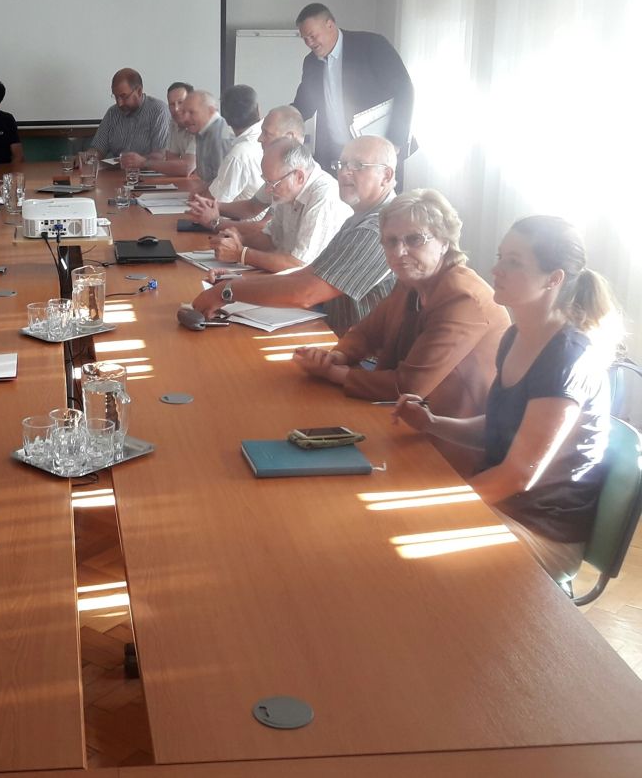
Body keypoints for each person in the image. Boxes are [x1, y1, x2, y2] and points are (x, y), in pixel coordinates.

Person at [394, 216, 621, 583]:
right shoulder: (515, 336)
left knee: (399, 553)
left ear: (554, 278)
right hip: (505, 508)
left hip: (543, 533)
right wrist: (433, 423)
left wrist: (438, 507)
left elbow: (518, 475)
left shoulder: (567, 357)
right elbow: (500, 427)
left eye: (514, 262)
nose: (496, 269)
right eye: (501, 257)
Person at [294, 189, 510, 441]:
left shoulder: (463, 298)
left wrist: (331, 373)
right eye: (391, 241)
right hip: (405, 418)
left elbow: (409, 386)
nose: (399, 252)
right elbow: (367, 333)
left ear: (445, 242)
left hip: (452, 437)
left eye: (414, 239)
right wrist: (335, 356)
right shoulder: (412, 280)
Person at [192, 136, 397, 335]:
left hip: (357, 350)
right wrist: (238, 282)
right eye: (342, 164)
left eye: (358, 166)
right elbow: (308, 273)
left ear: (386, 176)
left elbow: (306, 292)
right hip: (334, 333)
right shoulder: (359, 217)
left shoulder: (377, 228)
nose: (344, 173)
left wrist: (228, 291)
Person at [292, 2, 414, 176]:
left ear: (330, 25)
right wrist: (280, 122)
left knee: (378, 194)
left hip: (376, 153)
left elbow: (404, 91)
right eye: (304, 38)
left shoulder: (372, 45)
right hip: (335, 157)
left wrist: (394, 141)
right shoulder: (311, 62)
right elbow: (304, 105)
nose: (309, 43)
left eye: (312, 36)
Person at [210, 138, 351, 273]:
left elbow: (297, 265)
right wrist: (238, 239)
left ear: (299, 177)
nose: (268, 190)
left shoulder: (325, 197)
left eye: (272, 183)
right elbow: (271, 239)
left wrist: (241, 254)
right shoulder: (287, 191)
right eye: (266, 181)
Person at [186, 104, 306, 230]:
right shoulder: (283, 169)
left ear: (289, 137)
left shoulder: (293, 175)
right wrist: (212, 205)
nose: (259, 139)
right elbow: (251, 207)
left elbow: (264, 228)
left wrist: (215, 222)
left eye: (266, 133)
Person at [88, 68, 170, 162]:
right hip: (116, 170)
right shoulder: (112, 113)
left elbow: (161, 156)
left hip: (147, 170)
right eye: (116, 97)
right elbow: (98, 148)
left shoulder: (159, 111)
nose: (119, 103)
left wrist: (140, 161)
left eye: (124, 96)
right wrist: (88, 156)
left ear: (139, 91)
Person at [127, 82, 197, 177]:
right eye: (172, 104)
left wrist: (144, 163)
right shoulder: (174, 123)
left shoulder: (202, 124)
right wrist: (180, 167)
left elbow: (186, 168)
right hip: (194, 180)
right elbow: (171, 161)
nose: (176, 109)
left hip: (213, 184)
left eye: (180, 102)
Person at [207, 84, 263, 203]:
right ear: (258, 110)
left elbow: (216, 202)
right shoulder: (268, 138)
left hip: (240, 215)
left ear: (226, 119)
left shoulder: (239, 154)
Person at [180, 89, 235, 189]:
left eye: (191, 112)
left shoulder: (221, 137)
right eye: (183, 112)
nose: (185, 118)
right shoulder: (202, 131)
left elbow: (223, 185)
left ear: (210, 111)